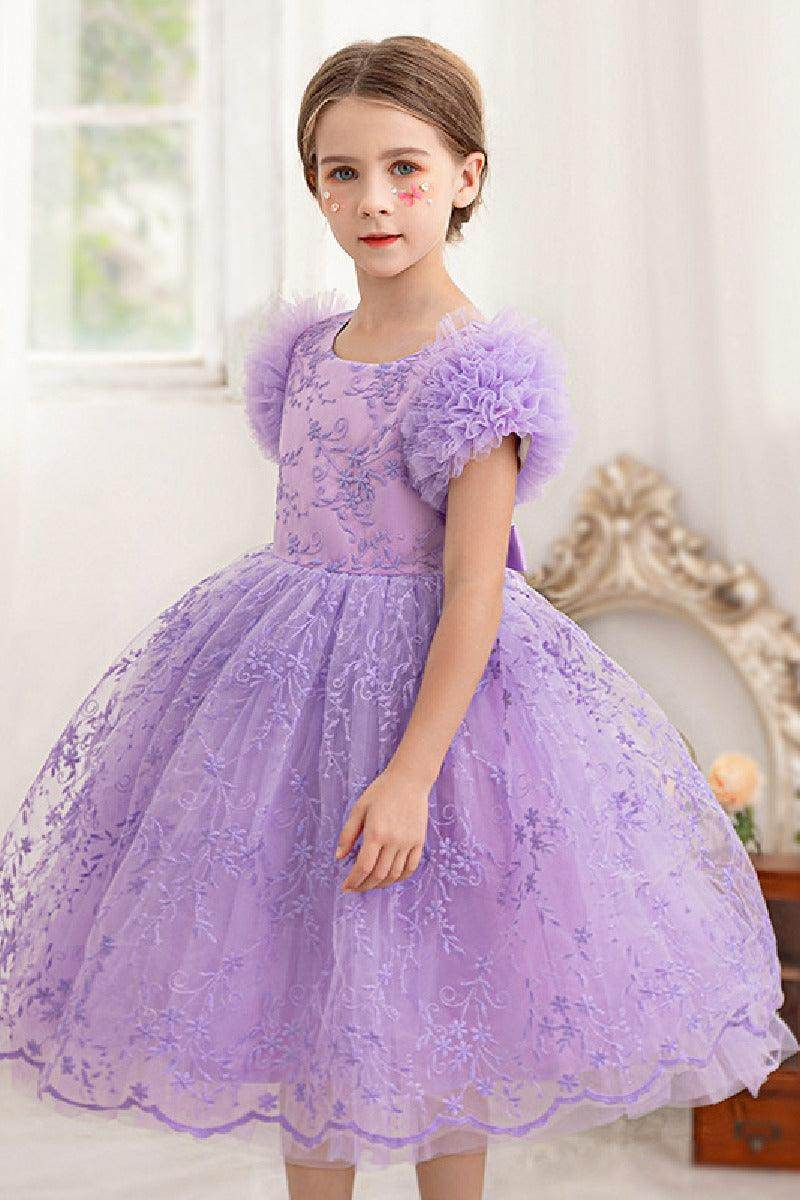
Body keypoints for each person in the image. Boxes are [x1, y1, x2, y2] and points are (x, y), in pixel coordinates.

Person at [2, 33, 797, 1200]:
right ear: (314, 183)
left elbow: (475, 587)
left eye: (404, 170)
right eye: (343, 172)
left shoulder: (476, 372)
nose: (373, 199)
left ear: (464, 177)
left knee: (433, 989)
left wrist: (414, 775)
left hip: (438, 716)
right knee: (300, 976)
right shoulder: (301, 355)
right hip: (287, 701)